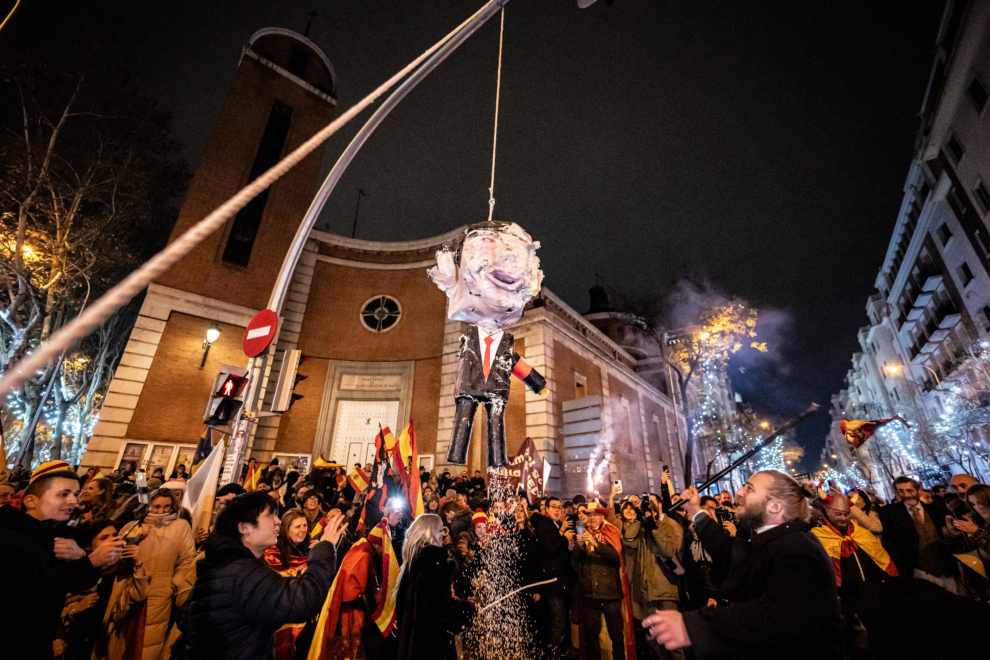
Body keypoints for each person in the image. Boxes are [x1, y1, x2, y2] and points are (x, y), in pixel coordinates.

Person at [643, 471, 843, 659]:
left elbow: (776, 617)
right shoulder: (766, 540)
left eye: (749, 488)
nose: (738, 492)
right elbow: (727, 550)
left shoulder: (799, 549)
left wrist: (693, 626)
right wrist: (696, 511)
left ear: (775, 506)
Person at [185, 491, 344, 659]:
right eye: (270, 515)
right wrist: (325, 547)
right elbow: (303, 601)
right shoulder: (243, 573)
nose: (277, 521)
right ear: (244, 528)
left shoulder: (230, 564)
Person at [0, 460, 124, 660]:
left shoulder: (53, 533)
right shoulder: (10, 537)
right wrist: (89, 562)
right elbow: (30, 594)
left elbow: (77, 583)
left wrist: (82, 557)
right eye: (63, 494)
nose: (73, 502)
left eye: (75, 495)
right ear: (30, 500)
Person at [394, 513, 476, 660]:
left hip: (413, 645)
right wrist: (469, 609)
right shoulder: (433, 558)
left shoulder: (413, 561)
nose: (442, 536)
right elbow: (440, 607)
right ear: (429, 532)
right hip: (432, 645)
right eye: (439, 531)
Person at [135, 488, 196, 660]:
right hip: (132, 591)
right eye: (157, 507)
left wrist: (173, 585)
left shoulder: (181, 526)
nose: (162, 511)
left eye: (167, 507)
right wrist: (133, 538)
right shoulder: (135, 526)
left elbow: (187, 560)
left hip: (161, 594)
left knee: (150, 642)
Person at [621, 495, 683, 660]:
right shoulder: (643, 525)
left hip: (665, 589)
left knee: (673, 641)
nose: (648, 507)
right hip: (647, 591)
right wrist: (640, 519)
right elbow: (628, 541)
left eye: (651, 503)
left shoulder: (670, 525)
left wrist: (654, 529)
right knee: (654, 641)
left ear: (660, 505)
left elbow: (669, 552)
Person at [572, 501, 634, 660]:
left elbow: (616, 557)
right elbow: (576, 562)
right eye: (589, 515)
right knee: (592, 638)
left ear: (602, 516)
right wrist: (579, 545)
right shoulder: (582, 530)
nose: (591, 518)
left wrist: (595, 543)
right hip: (589, 593)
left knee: (616, 636)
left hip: (610, 593)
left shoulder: (610, 530)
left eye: (595, 514)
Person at [878, 476, 959, 593]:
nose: (906, 494)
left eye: (909, 490)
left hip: (946, 568)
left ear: (918, 490)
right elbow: (889, 543)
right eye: (901, 491)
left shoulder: (937, 510)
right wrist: (905, 569)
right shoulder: (889, 513)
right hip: (918, 570)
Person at [529, 495, 575, 657]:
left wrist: (566, 545)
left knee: (558, 623)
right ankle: (552, 656)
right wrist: (564, 539)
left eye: (559, 507)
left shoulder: (552, 525)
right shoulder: (544, 524)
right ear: (546, 509)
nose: (557, 509)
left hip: (558, 582)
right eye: (553, 507)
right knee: (556, 624)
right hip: (552, 584)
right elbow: (548, 550)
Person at [263, 508, 313, 576]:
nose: (303, 530)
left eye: (305, 525)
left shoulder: (311, 546)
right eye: (298, 527)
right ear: (287, 529)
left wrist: (317, 551)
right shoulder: (272, 552)